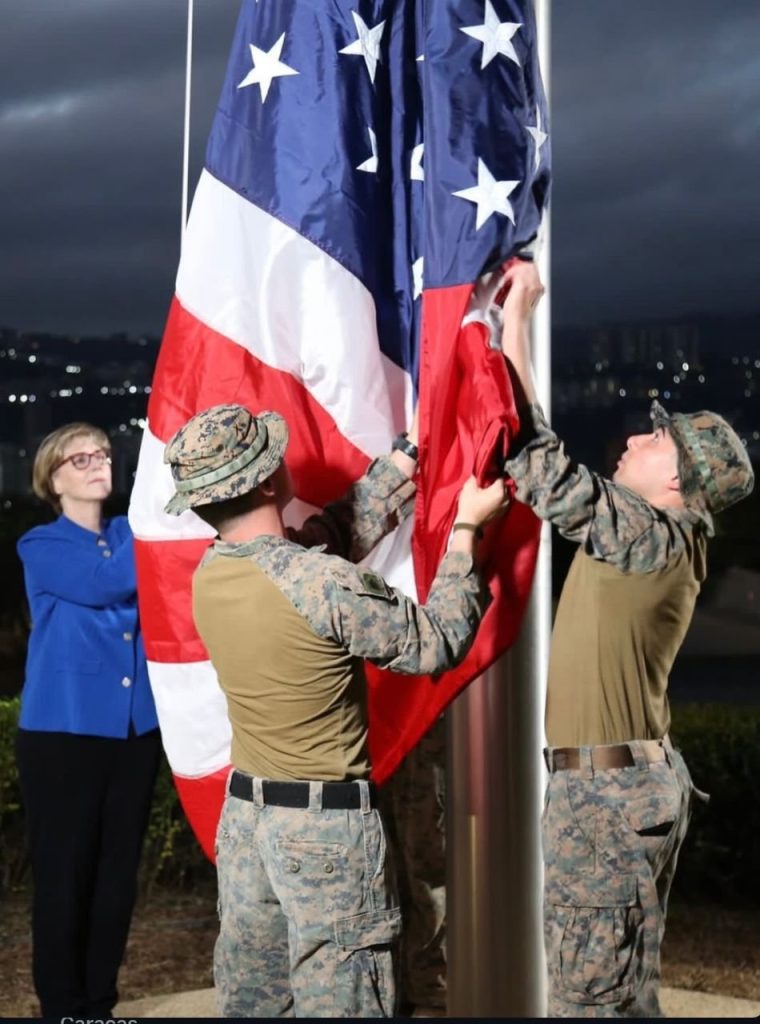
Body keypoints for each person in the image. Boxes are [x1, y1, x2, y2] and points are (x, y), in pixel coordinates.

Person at [163, 402, 508, 1018]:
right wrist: (464, 534)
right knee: (345, 1005)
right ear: (270, 480)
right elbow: (436, 642)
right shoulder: (319, 583)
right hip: (325, 834)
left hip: (249, 821)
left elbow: (325, 538)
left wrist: (406, 456)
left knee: (257, 1002)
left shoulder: (214, 570)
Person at [497, 261, 754, 1017]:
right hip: (615, 789)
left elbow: (538, 466)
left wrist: (517, 318)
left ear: (678, 480)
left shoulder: (650, 532)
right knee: (617, 994)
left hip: (605, 799)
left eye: (656, 439)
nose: (637, 436)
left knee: (591, 999)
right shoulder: (667, 535)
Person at [16, 422, 161, 1019]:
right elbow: (109, 585)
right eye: (80, 459)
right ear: (53, 480)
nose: (98, 464)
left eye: (103, 454)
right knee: (64, 874)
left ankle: (98, 1005)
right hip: (63, 736)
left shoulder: (132, 531)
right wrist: (158, 519)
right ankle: (62, 1007)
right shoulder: (41, 545)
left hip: (133, 732)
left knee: (115, 877)